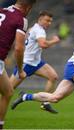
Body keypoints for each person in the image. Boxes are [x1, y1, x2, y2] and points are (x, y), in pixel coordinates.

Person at [10, 10, 60, 114]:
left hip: (36, 63)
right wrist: (55, 40)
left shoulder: (33, 28)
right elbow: (43, 44)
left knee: (53, 77)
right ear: (40, 18)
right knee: (8, 89)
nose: (49, 23)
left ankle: (45, 103)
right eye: (47, 20)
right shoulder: (39, 30)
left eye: (50, 21)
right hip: (25, 63)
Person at [0, 0, 36, 129]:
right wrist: (20, 70)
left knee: (8, 91)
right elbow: (19, 49)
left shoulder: (2, 10)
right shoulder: (21, 19)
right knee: (7, 92)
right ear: (28, 7)